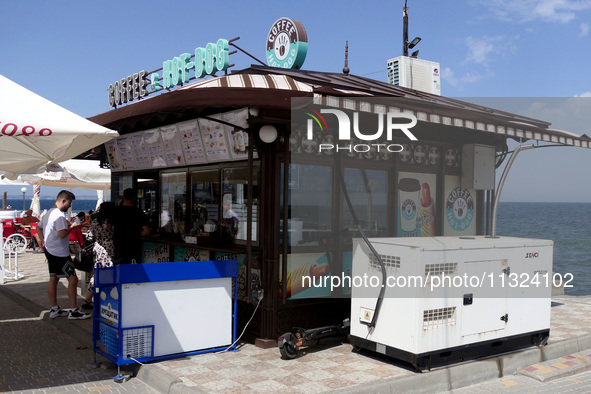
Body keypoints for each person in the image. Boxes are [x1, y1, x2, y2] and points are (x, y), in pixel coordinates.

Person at [36, 190, 90, 320]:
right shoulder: (59, 216)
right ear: (63, 201)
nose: (70, 206)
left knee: (54, 278)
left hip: (50, 251)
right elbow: (62, 234)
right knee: (73, 279)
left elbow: (38, 228)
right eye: (69, 203)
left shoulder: (48, 213)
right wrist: (73, 227)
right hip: (60, 253)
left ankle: (54, 308)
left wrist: (43, 241)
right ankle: (73, 310)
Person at [82, 202, 115, 310]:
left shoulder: (96, 221)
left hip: (98, 248)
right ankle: (105, 298)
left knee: (96, 273)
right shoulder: (111, 222)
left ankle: (88, 299)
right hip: (110, 248)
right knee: (109, 273)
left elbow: (89, 237)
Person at [112, 188, 150, 264]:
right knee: (132, 270)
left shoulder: (116, 210)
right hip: (133, 246)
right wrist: (137, 233)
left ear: (123, 196)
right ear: (134, 198)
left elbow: (109, 226)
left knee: (119, 271)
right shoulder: (138, 211)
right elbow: (147, 231)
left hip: (118, 246)